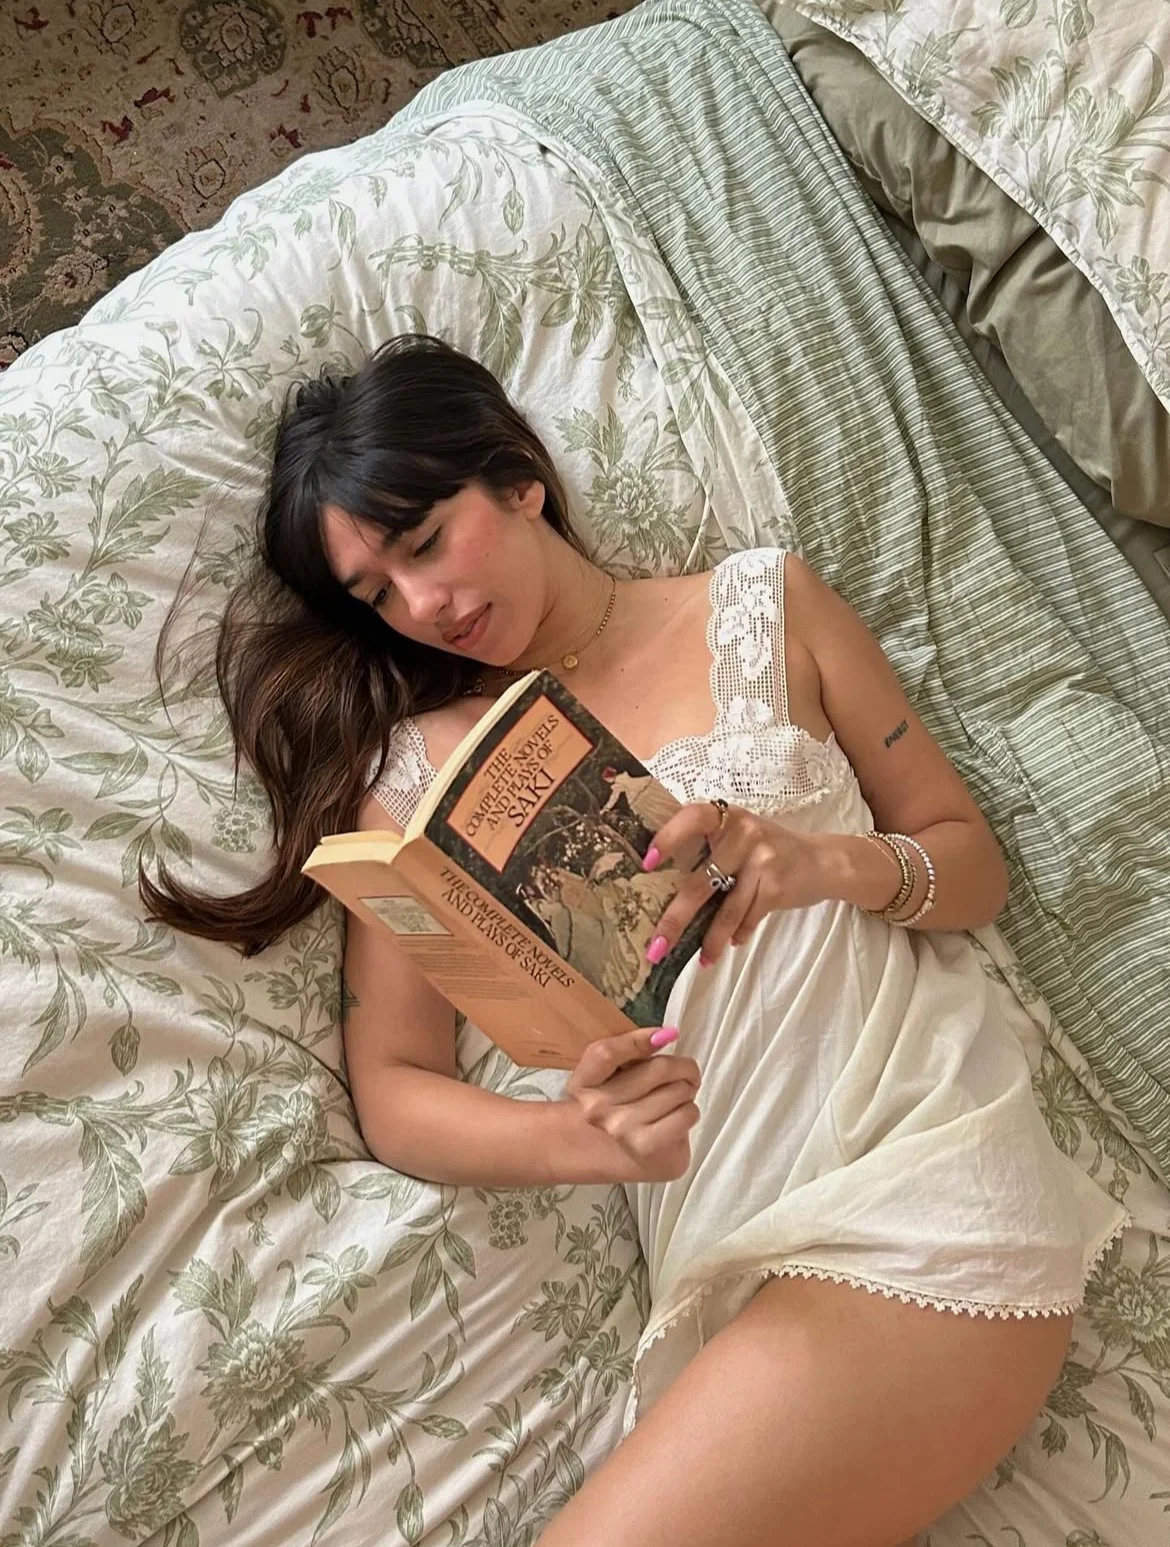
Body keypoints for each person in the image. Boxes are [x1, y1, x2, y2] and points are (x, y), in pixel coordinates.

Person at [146, 334, 1127, 1547]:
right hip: (724, 1260)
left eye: (425, 541)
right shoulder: (415, 776)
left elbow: (969, 863)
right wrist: (578, 1138)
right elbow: (393, 1087)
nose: (424, 605)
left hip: (922, 1178)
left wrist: (827, 861)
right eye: (379, 594)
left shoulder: (764, 606)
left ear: (518, 479)